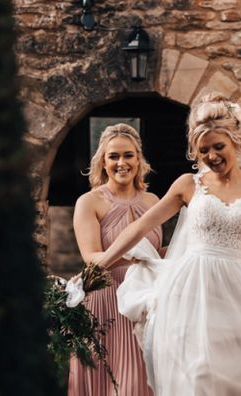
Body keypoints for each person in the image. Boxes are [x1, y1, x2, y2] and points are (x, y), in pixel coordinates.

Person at [96, 93, 241, 395]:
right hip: (189, 291)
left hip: (236, 291)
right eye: (203, 150)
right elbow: (141, 227)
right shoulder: (188, 184)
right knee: (199, 374)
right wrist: (100, 264)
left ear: (236, 140)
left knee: (239, 377)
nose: (211, 156)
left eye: (219, 147)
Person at [68, 123, 162, 396]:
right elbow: (91, 257)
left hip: (146, 300)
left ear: (138, 159)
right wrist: (137, 257)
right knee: (120, 383)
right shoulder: (89, 202)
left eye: (128, 155)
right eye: (114, 156)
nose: (122, 163)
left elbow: (156, 254)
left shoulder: (154, 200)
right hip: (108, 302)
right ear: (103, 163)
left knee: (146, 381)